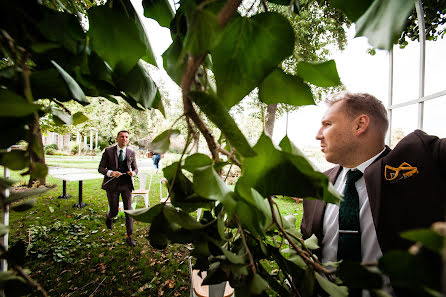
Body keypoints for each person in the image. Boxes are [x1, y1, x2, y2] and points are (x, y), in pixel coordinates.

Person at [301, 92, 446, 296]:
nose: (318, 134)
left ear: (360, 125)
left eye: (327, 124)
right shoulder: (317, 187)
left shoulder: (420, 159)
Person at [98, 130, 138, 246]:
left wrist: (133, 173)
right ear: (117, 138)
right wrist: (111, 172)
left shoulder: (131, 152)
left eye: (126, 137)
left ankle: (129, 236)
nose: (124, 139)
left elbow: (135, 169)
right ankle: (109, 216)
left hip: (126, 185)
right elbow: (100, 168)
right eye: (122, 137)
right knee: (114, 211)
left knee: (129, 211)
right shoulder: (108, 151)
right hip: (112, 186)